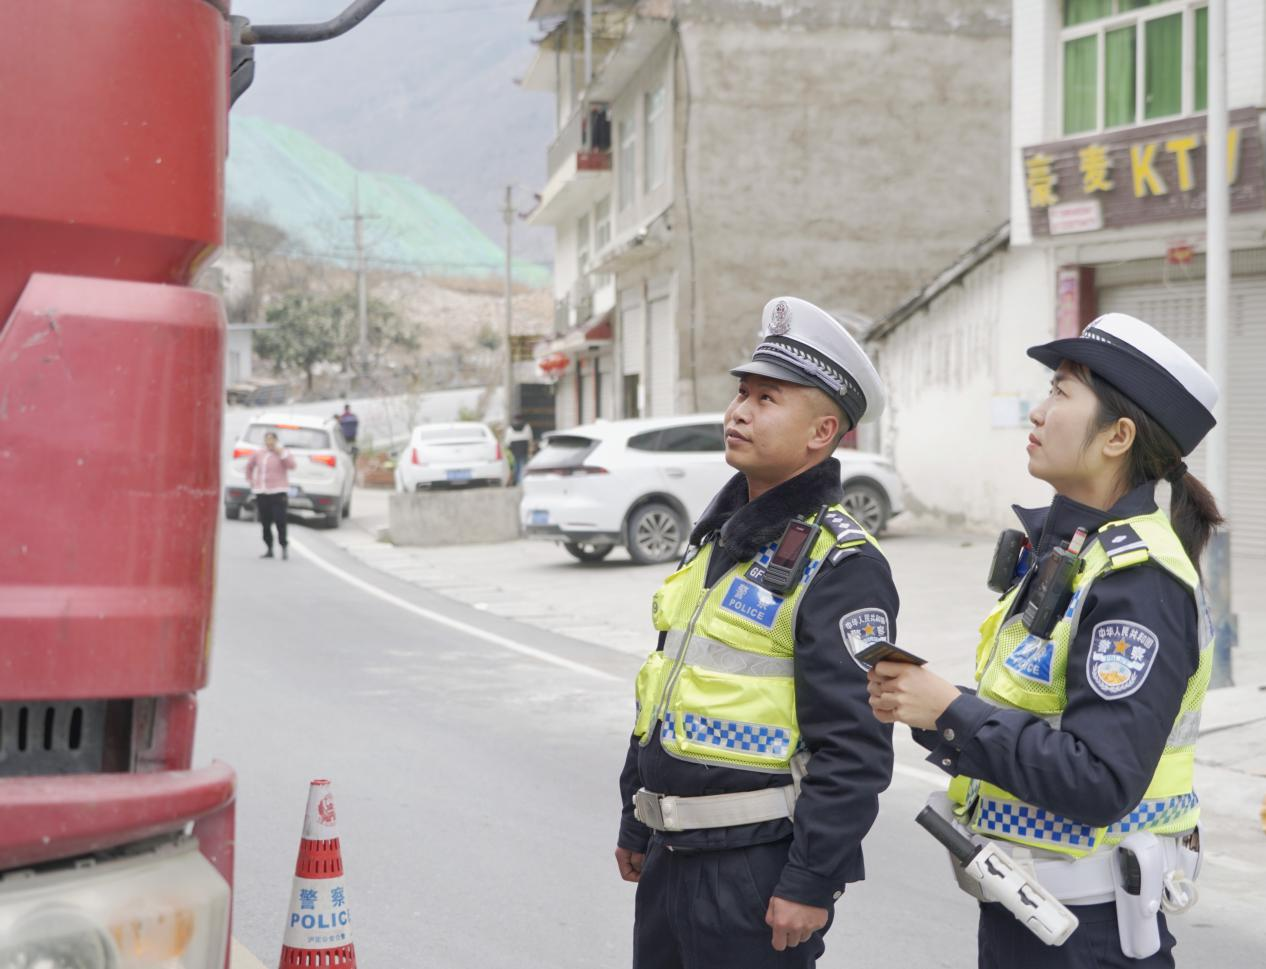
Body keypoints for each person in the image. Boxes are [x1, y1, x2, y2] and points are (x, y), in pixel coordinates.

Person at [867, 313, 1221, 968]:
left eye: (1060, 392)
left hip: (1088, 930)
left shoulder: (1138, 576)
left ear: (1118, 435)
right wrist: (933, 707)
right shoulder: (1075, 551)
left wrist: (952, 710)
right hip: (1029, 912)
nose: (1037, 411)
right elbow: (1039, 713)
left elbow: (1100, 777)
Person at [616, 297, 897, 968]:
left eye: (766, 398)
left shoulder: (842, 564)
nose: (738, 411)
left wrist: (811, 880)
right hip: (668, 854)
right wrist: (635, 813)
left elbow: (854, 748)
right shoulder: (716, 540)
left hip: (754, 871)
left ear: (821, 431)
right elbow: (665, 687)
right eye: (741, 393)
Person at [245, 430, 296, 560]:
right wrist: (251, 481)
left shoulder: (283, 453)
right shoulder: (259, 453)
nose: (270, 442)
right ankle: (269, 548)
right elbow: (249, 466)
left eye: (272, 439)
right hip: (262, 492)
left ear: (276, 441)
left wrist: (281, 453)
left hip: (278, 492)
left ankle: (283, 546)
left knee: (280, 520)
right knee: (265, 522)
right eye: (267, 439)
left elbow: (291, 465)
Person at [504, 413, 534, 485]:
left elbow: (507, 441)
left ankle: (517, 480)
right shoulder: (526, 426)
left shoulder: (510, 427)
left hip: (514, 446)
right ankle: (523, 480)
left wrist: (508, 447)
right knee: (523, 463)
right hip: (524, 445)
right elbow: (530, 437)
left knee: (516, 464)